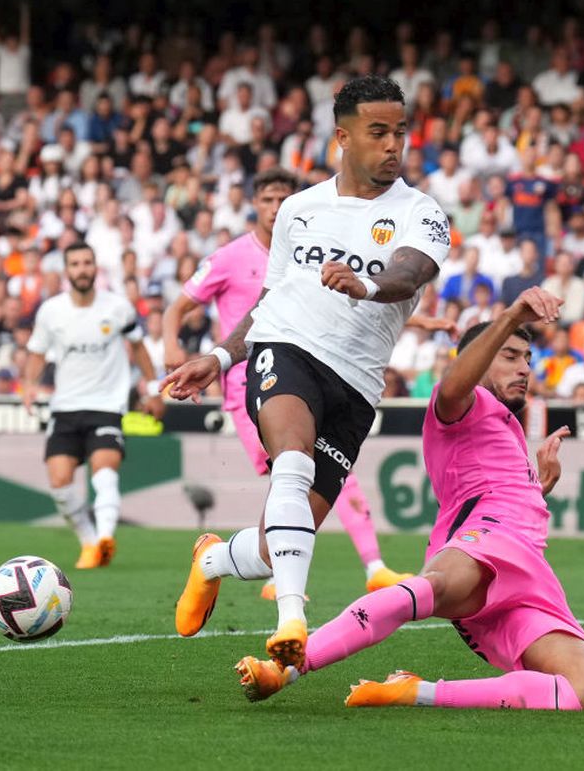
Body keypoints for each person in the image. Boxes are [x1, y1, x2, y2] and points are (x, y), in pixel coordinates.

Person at [164, 75, 450, 672]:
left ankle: (212, 560)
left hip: (357, 384)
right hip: (286, 346)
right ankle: (292, 619)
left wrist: (365, 284)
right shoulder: (299, 210)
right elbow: (272, 301)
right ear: (343, 138)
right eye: (379, 133)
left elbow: (409, 273)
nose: (394, 144)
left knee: (278, 544)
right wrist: (218, 358)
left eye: (401, 131)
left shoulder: (422, 214)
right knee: (290, 461)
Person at [232, 287, 584, 711]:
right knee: (433, 587)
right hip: (487, 540)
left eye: (527, 359)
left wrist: (536, 487)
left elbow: (484, 483)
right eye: (509, 355)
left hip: (527, 572)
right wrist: (509, 316)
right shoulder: (463, 404)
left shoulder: (505, 423)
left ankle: (416, 691)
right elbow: (452, 388)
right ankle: (285, 668)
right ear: (482, 357)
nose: (524, 368)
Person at [162, 166, 419, 596]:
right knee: (292, 474)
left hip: (322, 375)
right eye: (266, 200)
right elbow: (177, 307)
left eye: (282, 198)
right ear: (255, 206)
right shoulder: (230, 257)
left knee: (305, 489)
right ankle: (297, 597)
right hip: (252, 376)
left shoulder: (314, 244)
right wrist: (176, 346)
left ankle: (270, 562)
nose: (275, 207)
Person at [22, 241, 164, 570]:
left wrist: (153, 388)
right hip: (66, 407)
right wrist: (29, 385)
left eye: (87, 263)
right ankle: (89, 542)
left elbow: (138, 347)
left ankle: (105, 537)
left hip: (107, 405)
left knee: (105, 473)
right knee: (59, 483)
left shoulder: (117, 307)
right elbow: (37, 353)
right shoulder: (51, 311)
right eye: (75, 264)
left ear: (95, 267)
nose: (82, 269)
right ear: (67, 270)